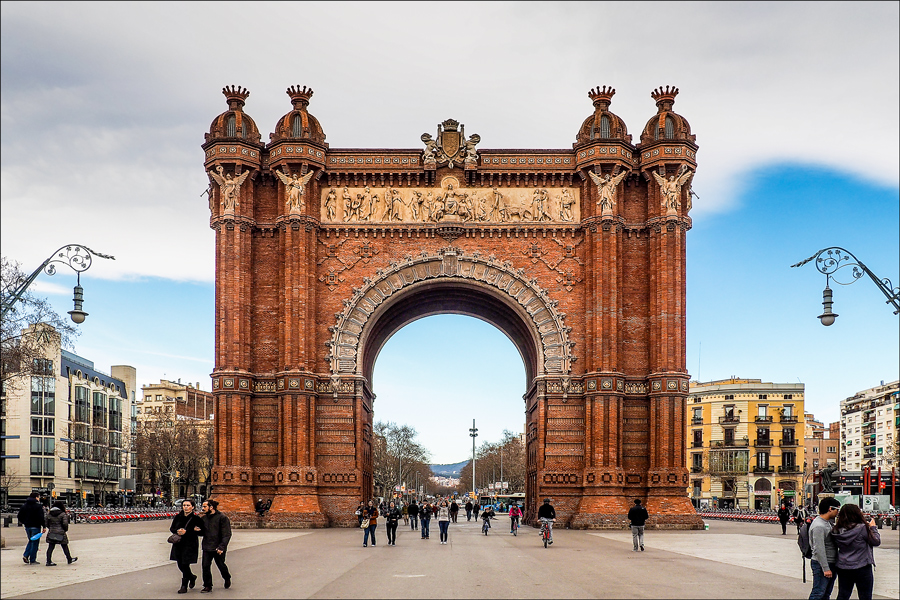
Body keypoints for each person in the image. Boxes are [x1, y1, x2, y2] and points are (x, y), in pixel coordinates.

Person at [832, 503, 881, 600]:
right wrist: (873, 528)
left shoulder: (836, 530)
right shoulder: (862, 528)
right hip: (862, 566)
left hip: (843, 566)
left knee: (843, 594)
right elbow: (876, 541)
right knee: (865, 596)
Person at [808, 497, 841, 600]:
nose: (838, 512)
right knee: (818, 593)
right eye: (837, 509)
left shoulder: (827, 523)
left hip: (830, 562)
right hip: (822, 563)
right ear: (830, 508)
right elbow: (819, 548)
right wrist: (826, 568)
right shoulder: (819, 526)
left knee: (826, 594)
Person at [198, 499, 232, 593]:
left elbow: (227, 534)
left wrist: (222, 546)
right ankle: (207, 585)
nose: (203, 508)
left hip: (218, 547)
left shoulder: (222, 518)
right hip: (207, 546)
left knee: (221, 565)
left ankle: (227, 577)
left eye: (205, 506)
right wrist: (197, 531)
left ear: (211, 507)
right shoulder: (204, 518)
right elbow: (202, 533)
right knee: (205, 566)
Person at [169, 499, 201, 593]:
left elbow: (200, 531)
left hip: (190, 544)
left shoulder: (196, 519)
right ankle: (192, 577)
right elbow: (172, 528)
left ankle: (184, 585)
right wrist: (177, 531)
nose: (185, 507)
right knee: (180, 564)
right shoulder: (178, 517)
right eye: (184, 505)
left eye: (188, 505)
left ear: (192, 507)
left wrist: (187, 532)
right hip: (178, 543)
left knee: (185, 563)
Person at [44, 500, 77, 567]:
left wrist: (51, 528)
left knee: (50, 547)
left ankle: (48, 561)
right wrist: (64, 530)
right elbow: (65, 524)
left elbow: (46, 523)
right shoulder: (62, 514)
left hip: (52, 532)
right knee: (64, 546)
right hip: (61, 532)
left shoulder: (49, 514)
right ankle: (69, 559)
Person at [17, 491, 46, 565]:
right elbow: (41, 517)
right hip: (36, 526)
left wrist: (24, 522)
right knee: (35, 542)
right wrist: (44, 526)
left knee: (31, 540)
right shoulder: (38, 506)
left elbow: (19, 516)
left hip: (27, 526)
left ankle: (26, 555)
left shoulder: (24, 506)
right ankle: (32, 559)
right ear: (36, 497)